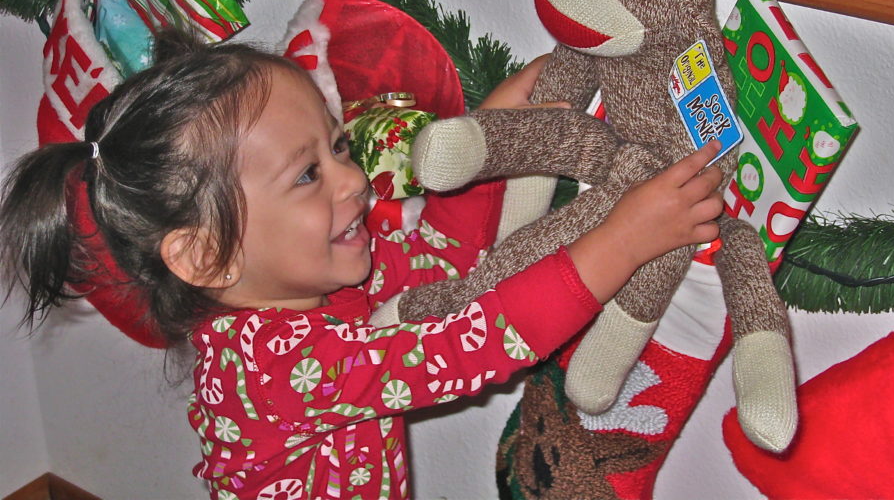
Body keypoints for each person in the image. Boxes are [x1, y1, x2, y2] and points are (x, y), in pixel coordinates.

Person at [0, 30, 725, 500]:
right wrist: (625, 240)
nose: (354, 182)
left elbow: (442, 257)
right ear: (207, 253)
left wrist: (496, 131)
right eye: (308, 175)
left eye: (338, 147)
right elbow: (470, 341)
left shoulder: (318, 286)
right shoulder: (270, 365)